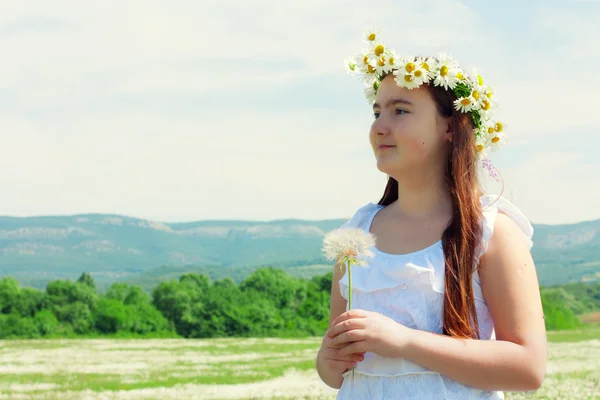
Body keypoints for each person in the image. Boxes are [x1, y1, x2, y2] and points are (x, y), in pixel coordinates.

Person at [316, 29, 547, 399]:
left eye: (400, 111)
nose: (379, 126)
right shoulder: (356, 235)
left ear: (451, 128)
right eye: (377, 111)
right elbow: (337, 373)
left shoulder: (489, 231)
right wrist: (328, 360)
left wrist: (406, 342)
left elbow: (528, 368)